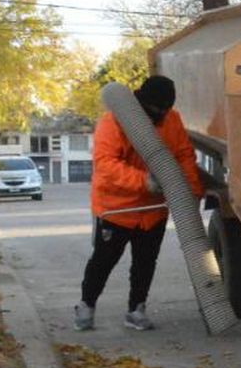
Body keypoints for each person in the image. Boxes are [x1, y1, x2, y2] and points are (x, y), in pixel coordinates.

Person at [73, 75, 204, 331]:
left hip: (153, 210)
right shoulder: (113, 122)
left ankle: (136, 309)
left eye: (164, 112)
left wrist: (193, 192)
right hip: (117, 208)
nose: (159, 116)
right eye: (155, 112)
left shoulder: (171, 120)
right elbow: (106, 164)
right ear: (141, 103)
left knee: (145, 262)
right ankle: (86, 305)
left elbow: (184, 156)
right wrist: (143, 181)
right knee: (103, 260)